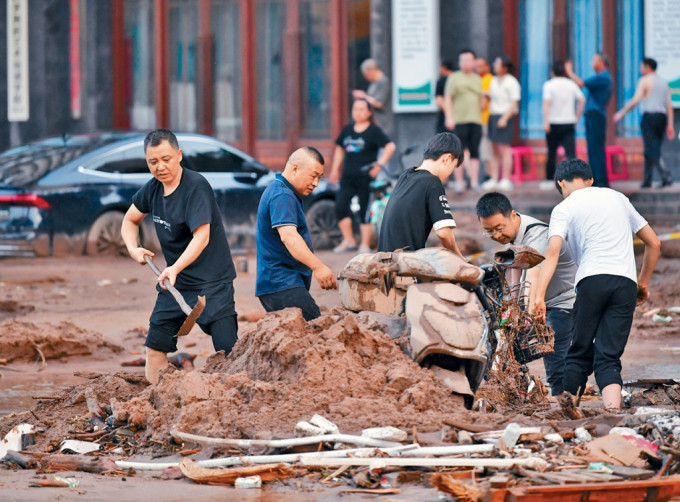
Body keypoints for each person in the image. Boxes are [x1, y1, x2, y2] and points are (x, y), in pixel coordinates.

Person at [532, 159, 661, 410]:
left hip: (591, 280)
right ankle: (613, 411)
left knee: (579, 349)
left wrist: (539, 296)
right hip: (625, 283)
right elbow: (654, 243)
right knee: (609, 354)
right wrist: (642, 283)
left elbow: (553, 252)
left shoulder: (564, 207)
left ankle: (568, 408)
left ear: (560, 183)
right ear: (590, 180)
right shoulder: (618, 198)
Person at [121, 129, 238, 385]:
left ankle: (233, 398)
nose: (160, 167)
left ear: (179, 155)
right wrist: (134, 248)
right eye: (153, 162)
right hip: (174, 283)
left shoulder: (195, 186)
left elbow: (202, 237)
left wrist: (174, 268)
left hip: (213, 282)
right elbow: (129, 220)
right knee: (155, 347)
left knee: (228, 351)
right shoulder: (152, 190)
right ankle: (161, 398)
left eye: (166, 159)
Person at [476, 192, 577, 396]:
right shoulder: (511, 237)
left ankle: (564, 403)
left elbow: (533, 273)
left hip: (563, 301)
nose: (495, 235)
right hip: (542, 300)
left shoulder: (537, 234)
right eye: (489, 231)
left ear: (513, 215)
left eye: (498, 228)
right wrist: (508, 314)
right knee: (504, 340)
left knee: (553, 354)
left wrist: (526, 314)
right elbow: (514, 280)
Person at [256, 147, 338, 321]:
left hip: (279, 286)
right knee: (316, 333)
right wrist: (318, 267)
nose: (316, 183)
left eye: (319, 178)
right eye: (313, 176)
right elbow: (289, 237)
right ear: (295, 169)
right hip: (282, 284)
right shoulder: (282, 195)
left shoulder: (282, 191)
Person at [378, 132, 465, 257]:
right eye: (453, 166)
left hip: (383, 260)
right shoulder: (433, 182)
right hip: (404, 265)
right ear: (447, 158)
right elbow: (443, 233)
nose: (450, 173)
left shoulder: (406, 175)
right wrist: (460, 258)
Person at [329, 99, 396, 253]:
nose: (357, 112)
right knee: (340, 206)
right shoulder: (347, 130)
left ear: (369, 112)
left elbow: (390, 146)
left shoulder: (374, 131)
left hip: (366, 177)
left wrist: (379, 165)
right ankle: (349, 240)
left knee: (365, 210)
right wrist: (334, 169)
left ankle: (365, 244)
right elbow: (340, 148)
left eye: (361, 109)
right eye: (355, 109)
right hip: (347, 176)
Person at [613, 57, 675, 188]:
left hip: (649, 117)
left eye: (642, 66)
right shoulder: (664, 82)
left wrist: (621, 113)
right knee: (650, 148)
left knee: (652, 148)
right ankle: (647, 180)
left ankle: (666, 175)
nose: (640, 69)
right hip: (662, 118)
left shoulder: (644, 81)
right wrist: (670, 124)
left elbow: (635, 100)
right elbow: (669, 105)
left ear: (647, 67)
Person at [565, 53, 613, 187]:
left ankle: (600, 180)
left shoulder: (603, 77)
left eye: (594, 60)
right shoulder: (605, 77)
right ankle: (599, 179)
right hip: (596, 116)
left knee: (595, 149)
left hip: (595, 116)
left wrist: (569, 72)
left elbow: (581, 83)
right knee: (594, 149)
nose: (592, 63)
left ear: (601, 62)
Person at [444, 49, 483, 193]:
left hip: (476, 120)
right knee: (458, 152)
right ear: (459, 62)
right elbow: (448, 98)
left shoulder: (478, 78)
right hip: (459, 120)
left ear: (474, 62)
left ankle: (474, 182)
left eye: (469, 60)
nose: (466, 63)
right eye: (463, 60)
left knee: (475, 151)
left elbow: (482, 100)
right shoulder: (454, 78)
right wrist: (449, 117)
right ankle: (459, 182)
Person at [542, 60, 586, 188]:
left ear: (552, 72)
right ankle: (573, 179)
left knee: (551, 152)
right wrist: (576, 116)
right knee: (571, 153)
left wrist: (545, 122)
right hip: (569, 122)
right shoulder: (571, 84)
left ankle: (549, 179)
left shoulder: (549, 85)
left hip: (553, 122)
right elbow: (582, 100)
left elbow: (546, 104)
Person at [482, 55, 521, 191]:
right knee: (494, 149)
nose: (494, 65)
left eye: (497, 63)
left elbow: (515, 102)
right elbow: (489, 97)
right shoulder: (493, 80)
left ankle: (505, 178)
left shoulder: (511, 82)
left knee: (504, 149)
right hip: (493, 115)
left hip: (505, 116)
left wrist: (505, 118)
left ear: (504, 67)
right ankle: (494, 178)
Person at [353, 58, 393, 136]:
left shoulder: (384, 82)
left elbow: (379, 103)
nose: (366, 77)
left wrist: (364, 96)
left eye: (366, 74)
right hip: (372, 122)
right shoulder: (373, 83)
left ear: (372, 70)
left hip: (382, 123)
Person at [476, 57, 494, 180]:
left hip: (486, 119)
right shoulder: (479, 80)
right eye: (476, 66)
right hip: (482, 120)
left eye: (481, 66)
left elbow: (483, 102)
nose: (477, 69)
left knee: (487, 149)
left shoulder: (488, 80)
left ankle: (491, 175)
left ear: (488, 67)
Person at [435, 61, 455, 133]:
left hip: (445, 117)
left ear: (444, 68)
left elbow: (439, 100)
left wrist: (448, 112)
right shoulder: (458, 80)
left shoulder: (442, 81)